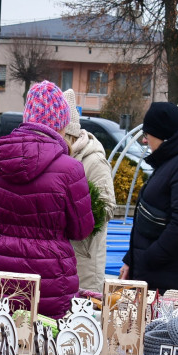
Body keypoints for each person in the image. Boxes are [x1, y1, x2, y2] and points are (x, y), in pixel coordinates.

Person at [0, 80, 94, 323]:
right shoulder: (71, 169)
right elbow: (81, 229)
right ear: (61, 124)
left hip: (1, 266)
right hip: (52, 276)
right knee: (48, 348)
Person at [119, 102, 178, 292]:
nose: (145, 141)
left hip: (174, 280)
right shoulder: (173, 161)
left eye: (147, 135)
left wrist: (147, 260)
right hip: (159, 273)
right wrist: (132, 261)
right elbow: (151, 222)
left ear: (161, 134)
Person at [61, 88, 116, 291]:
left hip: (85, 260)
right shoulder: (59, 159)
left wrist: (76, 211)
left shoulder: (94, 160)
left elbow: (107, 207)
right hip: (62, 257)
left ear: (71, 135)